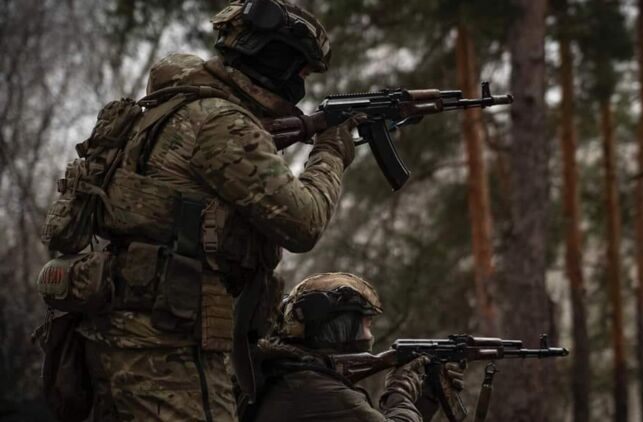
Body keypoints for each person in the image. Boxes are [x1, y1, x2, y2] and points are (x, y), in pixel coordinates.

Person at [72, 1, 362, 420]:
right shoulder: (221, 122)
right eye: (301, 72)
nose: (300, 85)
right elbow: (304, 224)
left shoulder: (176, 106)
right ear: (275, 59)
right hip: (168, 347)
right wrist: (331, 151)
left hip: (125, 331)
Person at [250, 272, 465, 422]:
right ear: (342, 328)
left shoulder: (291, 375)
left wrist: (427, 395)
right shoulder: (319, 390)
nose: (370, 336)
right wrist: (400, 392)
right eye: (367, 324)